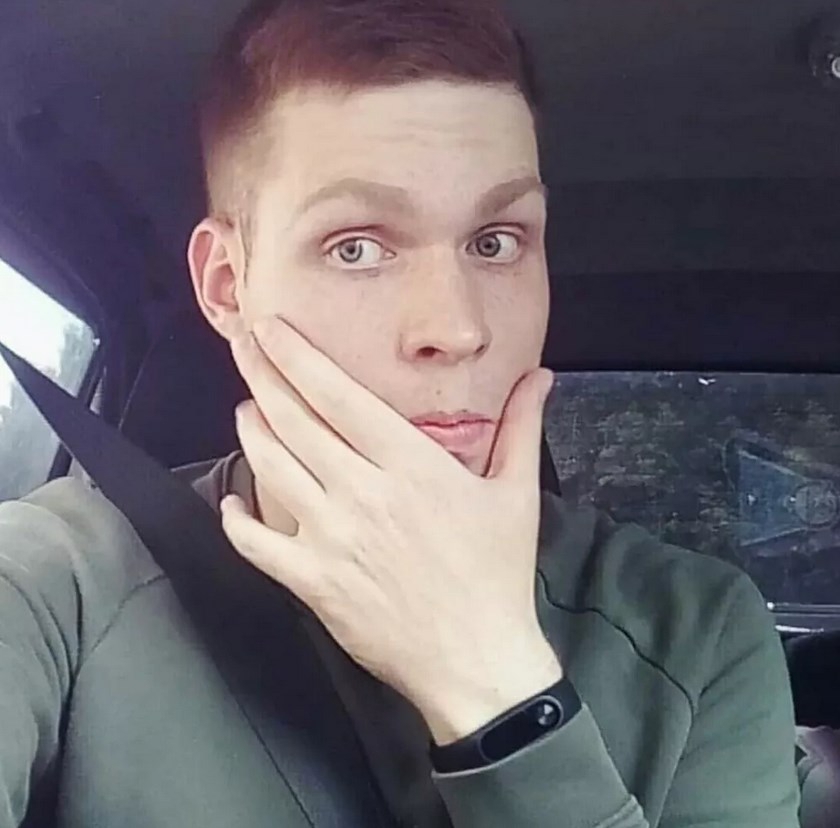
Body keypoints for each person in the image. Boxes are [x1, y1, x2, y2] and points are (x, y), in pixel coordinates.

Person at [0, 0, 801, 826]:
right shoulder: (58, 581)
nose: (457, 329)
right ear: (228, 287)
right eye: (357, 247)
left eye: (495, 240)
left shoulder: (698, 633)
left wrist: (492, 685)